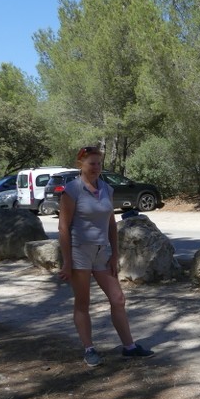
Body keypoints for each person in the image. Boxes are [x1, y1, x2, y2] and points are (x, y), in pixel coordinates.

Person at [58, 146, 154, 367]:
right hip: (79, 251)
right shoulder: (71, 190)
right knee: (83, 303)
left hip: (103, 252)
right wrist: (67, 261)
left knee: (118, 299)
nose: (96, 168)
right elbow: (63, 228)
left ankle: (129, 347)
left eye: (99, 163)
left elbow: (111, 223)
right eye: (91, 163)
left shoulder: (106, 189)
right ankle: (89, 349)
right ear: (80, 164)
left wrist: (114, 255)